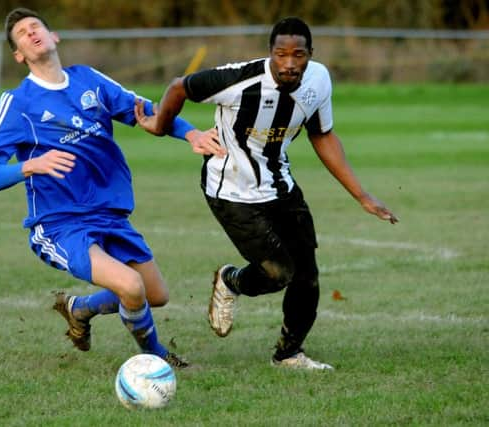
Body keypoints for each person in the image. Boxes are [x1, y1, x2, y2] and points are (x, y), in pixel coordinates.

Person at [135, 16, 398, 370]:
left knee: (307, 277)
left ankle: (289, 354)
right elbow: (179, 86)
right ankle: (231, 280)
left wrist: (362, 195)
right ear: (270, 53)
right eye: (281, 54)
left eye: (298, 55)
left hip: (281, 187)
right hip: (231, 192)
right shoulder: (239, 80)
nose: (290, 63)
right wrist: (159, 125)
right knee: (278, 273)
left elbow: (322, 135)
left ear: (310, 55)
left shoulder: (318, 80)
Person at [0, 8, 220, 368]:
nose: (31, 34)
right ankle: (157, 359)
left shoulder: (88, 80)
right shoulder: (18, 104)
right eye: (22, 35)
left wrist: (190, 133)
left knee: (156, 294)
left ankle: (80, 309)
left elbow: (147, 111)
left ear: (53, 35)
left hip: (109, 213)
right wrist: (30, 165)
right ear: (19, 55)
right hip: (61, 222)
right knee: (131, 287)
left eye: (36, 27)